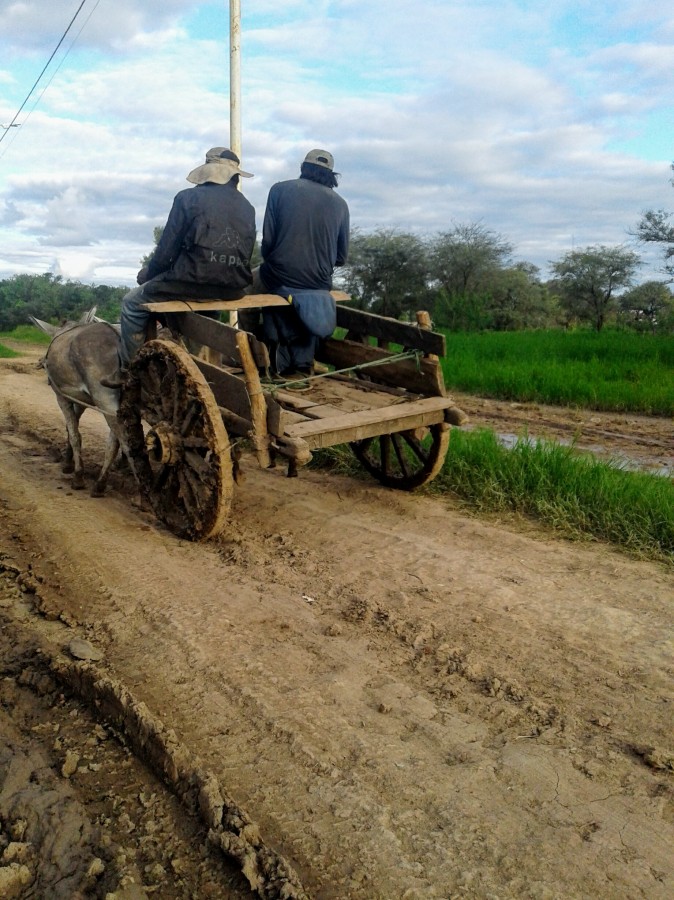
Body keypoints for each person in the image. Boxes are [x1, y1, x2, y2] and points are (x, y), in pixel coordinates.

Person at [103, 147, 256, 387]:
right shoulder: (248, 207)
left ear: (207, 171)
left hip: (189, 281)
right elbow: (244, 251)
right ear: (235, 176)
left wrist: (149, 275)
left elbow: (166, 250)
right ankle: (192, 363)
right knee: (207, 309)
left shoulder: (187, 198)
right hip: (232, 287)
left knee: (132, 304)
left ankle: (129, 371)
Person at [241, 148, 350, 377]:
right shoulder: (341, 204)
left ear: (303, 168)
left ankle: (250, 353)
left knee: (247, 287)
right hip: (320, 283)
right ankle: (302, 361)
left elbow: (268, 243)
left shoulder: (280, 189)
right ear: (331, 175)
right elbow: (341, 257)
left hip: (278, 275)